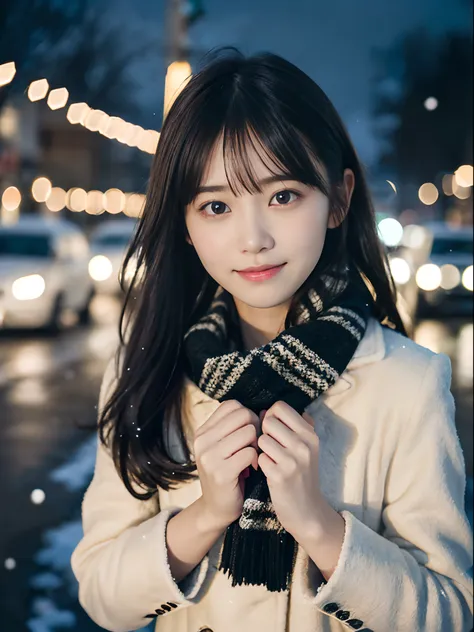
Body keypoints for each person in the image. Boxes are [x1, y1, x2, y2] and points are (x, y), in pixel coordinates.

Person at [71, 50, 473, 632]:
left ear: (337, 200)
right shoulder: (150, 363)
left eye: (282, 196)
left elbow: (450, 614)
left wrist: (317, 525)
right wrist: (207, 514)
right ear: (185, 223)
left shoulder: (407, 383)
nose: (252, 239)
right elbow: (103, 599)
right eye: (216, 205)